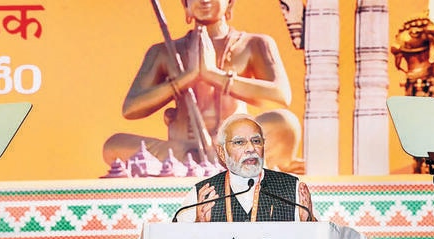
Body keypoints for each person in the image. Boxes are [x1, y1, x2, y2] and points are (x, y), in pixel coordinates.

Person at [103, 0, 303, 173]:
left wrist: (214, 75)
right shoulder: (164, 51)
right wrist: (185, 79)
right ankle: (224, 163)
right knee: (113, 147)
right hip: (181, 150)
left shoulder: (254, 44)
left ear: (230, 2)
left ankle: (237, 161)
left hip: (233, 144)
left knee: (285, 123)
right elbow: (130, 108)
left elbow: (281, 95)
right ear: (185, 5)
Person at [175, 113, 317, 222]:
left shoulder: (291, 189)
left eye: (256, 141)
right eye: (239, 142)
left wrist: (309, 223)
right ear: (222, 153)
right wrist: (197, 226)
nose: (250, 148)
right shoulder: (203, 194)